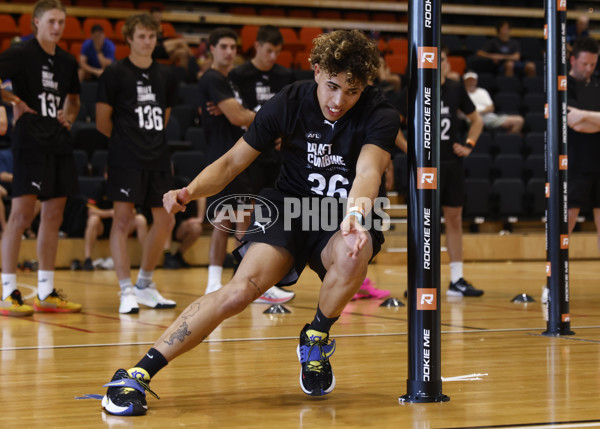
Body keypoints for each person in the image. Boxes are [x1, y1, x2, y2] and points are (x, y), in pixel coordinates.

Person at [101, 29, 400, 416]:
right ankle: (137, 373)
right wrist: (188, 192)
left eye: (352, 91)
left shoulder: (380, 113)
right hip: (290, 208)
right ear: (316, 70)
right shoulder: (289, 101)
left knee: (352, 253)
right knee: (239, 291)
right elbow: (232, 162)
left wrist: (356, 216)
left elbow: (368, 171)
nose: (339, 100)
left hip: (342, 214)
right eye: (332, 86)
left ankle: (316, 335)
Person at [0, 0, 82, 317]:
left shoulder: (66, 61)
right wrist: (14, 99)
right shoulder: (21, 53)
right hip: (30, 138)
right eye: (51, 21)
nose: (57, 27)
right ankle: (8, 291)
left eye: (61, 22)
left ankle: (46, 292)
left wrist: (70, 116)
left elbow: (74, 99)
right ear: (36, 22)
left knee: (54, 214)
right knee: (21, 213)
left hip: (57, 139)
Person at [96, 13, 178, 314]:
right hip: (125, 158)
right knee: (123, 220)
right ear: (129, 38)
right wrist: (126, 143)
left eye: (152, 37)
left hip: (157, 156)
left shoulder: (165, 75)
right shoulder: (115, 73)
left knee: (166, 219)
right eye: (142, 36)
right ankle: (125, 289)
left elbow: (165, 117)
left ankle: (144, 284)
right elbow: (103, 121)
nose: (147, 42)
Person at [228, 25, 296, 304]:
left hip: (277, 155)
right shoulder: (239, 75)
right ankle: (242, 279)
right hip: (250, 150)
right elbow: (235, 111)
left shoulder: (283, 76)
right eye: (269, 50)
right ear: (256, 46)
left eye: (277, 52)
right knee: (244, 213)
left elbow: (293, 113)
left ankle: (262, 280)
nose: (272, 56)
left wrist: (286, 135)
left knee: (269, 215)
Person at [197, 27, 256, 297]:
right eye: (223, 46)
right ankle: (219, 282)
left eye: (233, 47)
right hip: (223, 156)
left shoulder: (230, 80)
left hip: (236, 156)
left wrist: (241, 112)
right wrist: (262, 117)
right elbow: (237, 117)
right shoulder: (212, 78)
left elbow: (240, 113)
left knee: (239, 219)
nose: (230, 52)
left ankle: (238, 281)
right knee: (226, 220)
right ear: (211, 48)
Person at [440, 50, 485, 297]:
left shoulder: (456, 89)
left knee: (454, 220)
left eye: (445, 59)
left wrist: (468, 145)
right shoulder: (416, 87)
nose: (441, 64)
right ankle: (419, 280)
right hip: (425, 167)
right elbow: (397, 124)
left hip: (451, 163)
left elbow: (477, 121)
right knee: (422, 224)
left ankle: (456, 279)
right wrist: (410, 150)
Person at [566, 37, 600, 254]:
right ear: (572, 60)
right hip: (575, 163)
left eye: (593, 64)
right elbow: (574, 123)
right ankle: (552, 282)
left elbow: (581, 119)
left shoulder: (597, 84)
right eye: (584, 63)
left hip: (598, 160)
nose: (589, 68)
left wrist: (585, 115)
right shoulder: (563, 85)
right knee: (567, 221)